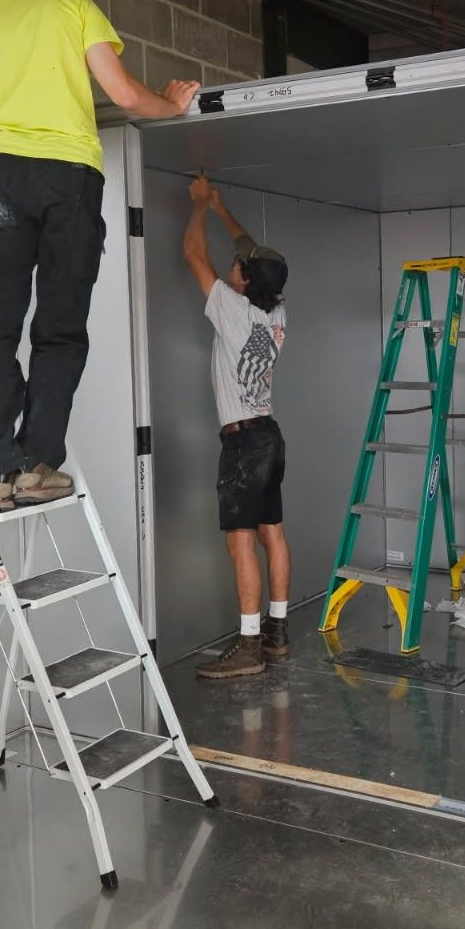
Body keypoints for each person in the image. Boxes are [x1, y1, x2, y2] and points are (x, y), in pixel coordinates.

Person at [0, 0, 200, 511]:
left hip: (2, 176)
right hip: (70, 178)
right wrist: (172, 104)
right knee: (60, 326)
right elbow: (126, 95)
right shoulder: (71, 5)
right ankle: (37, 464)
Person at [182, 175, 291, 681]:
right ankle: (277, 631)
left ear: (243, 280)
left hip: (244, 440)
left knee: (240, 540)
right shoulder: (275, 311)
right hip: (269, 434)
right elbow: (248, 250)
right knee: (271, 531)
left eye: (236, 269)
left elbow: (191, 254)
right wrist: (225, 209)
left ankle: (248, 644)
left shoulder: (231, 307)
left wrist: (200, 208)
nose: (231, 267)